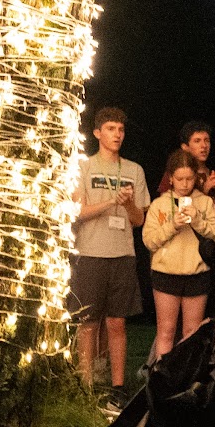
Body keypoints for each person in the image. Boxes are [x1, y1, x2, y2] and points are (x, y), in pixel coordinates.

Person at [70, 106, 148, 395]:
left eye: (121, 130)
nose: (117, 135)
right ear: (97, 133)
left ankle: (118, 387)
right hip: (90, 253)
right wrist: (110, 202)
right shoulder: (83, 167)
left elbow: (139, 220)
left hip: (123, 255)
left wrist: (127, 204)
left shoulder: (134, 170)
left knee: (117, 322)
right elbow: (77, 212)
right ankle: (86, 386)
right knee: (88, 323)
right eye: (111, 129)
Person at [166, 122, 215, 377]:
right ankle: (170, 370)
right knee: (176, 324)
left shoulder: (214, 174)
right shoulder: (176, 175)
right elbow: (171, 211)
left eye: (206, 140)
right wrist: (202, 191)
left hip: (214, 252)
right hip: (184, 254)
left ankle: (212, 371)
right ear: (185, 146)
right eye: (197, 141)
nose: (204, 145)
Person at [141, 150, 215, 360]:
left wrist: (198, 221)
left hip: (197, 274)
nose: (185, 184)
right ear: (170, 178)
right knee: (166, 331)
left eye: (189, 178)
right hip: (165, 273)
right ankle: (161, 377)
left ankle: (186, 378)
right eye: (179, 179)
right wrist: (172, 226)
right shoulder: (159, 204)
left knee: (192, 333)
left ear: (196, 177)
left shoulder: (205, 202)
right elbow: (149, 240)